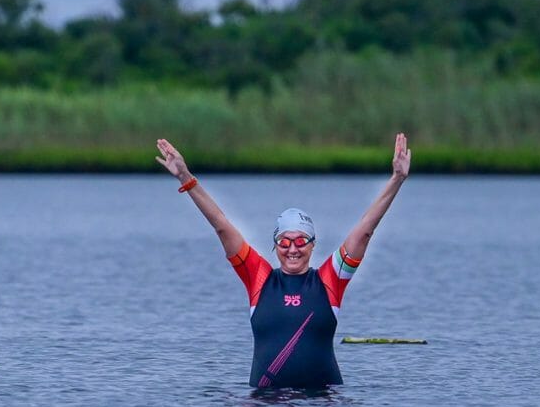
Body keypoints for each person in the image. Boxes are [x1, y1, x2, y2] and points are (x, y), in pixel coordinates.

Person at [156, 135, 411, 388]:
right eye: (284, 241)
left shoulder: (329, 279)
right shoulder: (259, 277)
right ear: (275, 245)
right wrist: (185, 178)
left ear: (312, 245)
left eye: (300, 241)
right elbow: (222, 226)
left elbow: (365, 230)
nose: (292, 249)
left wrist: (397, 179)